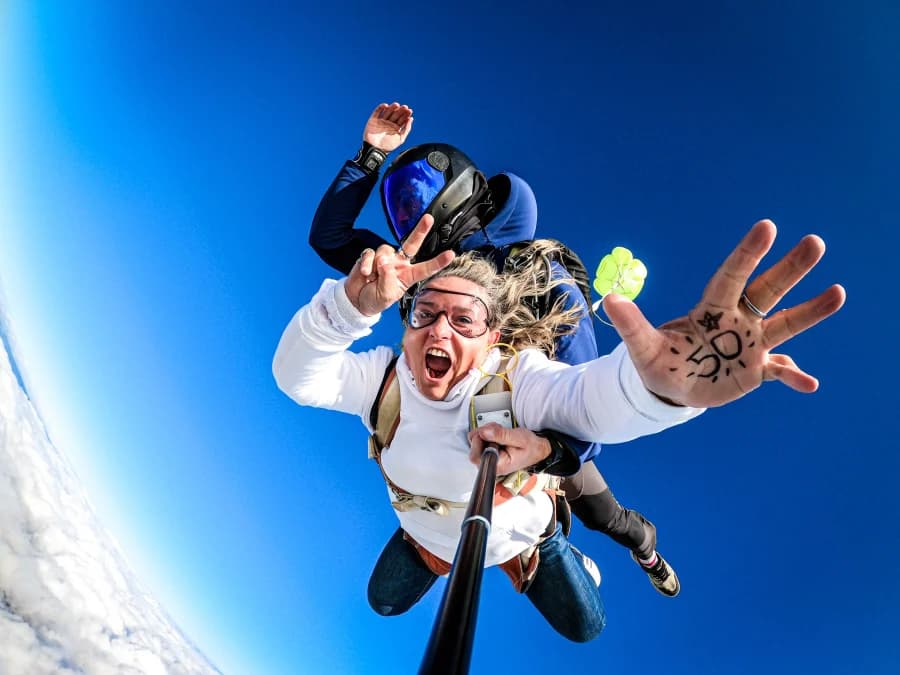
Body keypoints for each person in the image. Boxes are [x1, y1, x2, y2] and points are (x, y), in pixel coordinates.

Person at [273, 215, 846, 640]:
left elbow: (591, 400)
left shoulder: (518, 377)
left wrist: (661, 389)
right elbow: (298, 378)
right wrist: (346, 309)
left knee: (586, 624)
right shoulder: (384, 380)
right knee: (383, 603)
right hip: (427, 535)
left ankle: (604, 545)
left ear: (494, 336)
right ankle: (451, 541)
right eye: (425, 314)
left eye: (463, 319)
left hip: (525, 534)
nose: (438, 331)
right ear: (407, 324)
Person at [308, 101, 682, 596]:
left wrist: (550, 454)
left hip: (533, 416)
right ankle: (440, 523)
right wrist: (370, 156)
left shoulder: (539, 273)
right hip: (452, 419)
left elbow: (585, 402)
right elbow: (331, 237)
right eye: (401, 209)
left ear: (455, 202)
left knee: (603, 513)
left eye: (416, 203)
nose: (407, 225)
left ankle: (642, 548)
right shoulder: (427, 273)